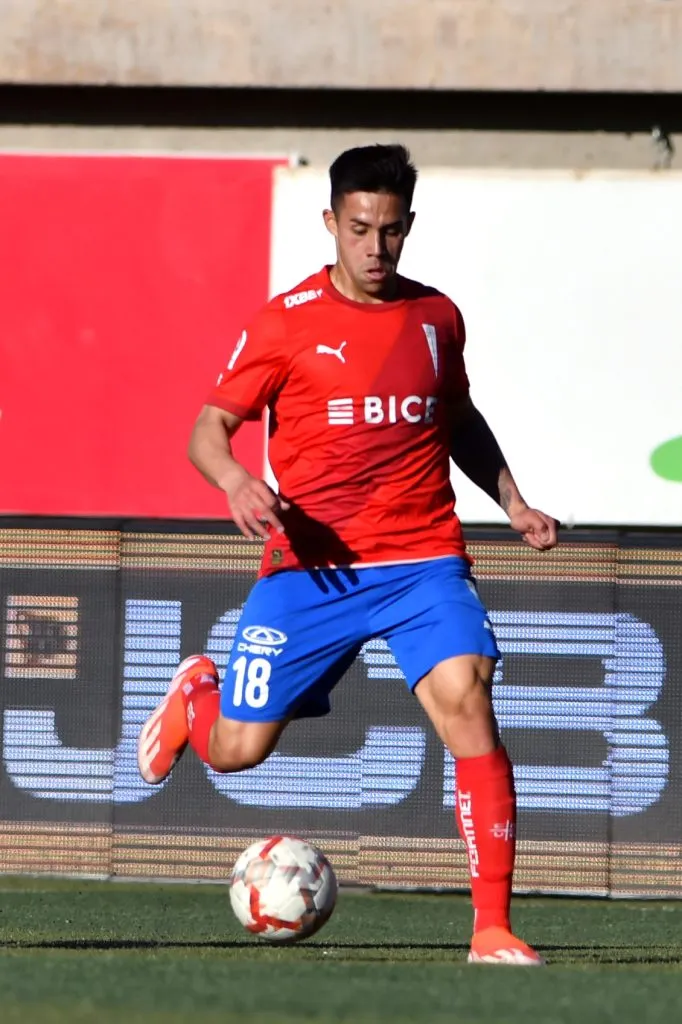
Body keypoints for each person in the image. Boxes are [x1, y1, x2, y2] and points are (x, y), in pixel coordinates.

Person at [137, 144, 558, 965]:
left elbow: (458, 420)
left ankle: (492, 928)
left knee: (468, 699)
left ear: (408, 229)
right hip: (310, 572)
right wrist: (233, 481)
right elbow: (206, 430)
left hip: (421, 560)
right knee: (239, 752)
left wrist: (512, 502)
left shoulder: (438, 318)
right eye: (359, 228)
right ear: (331, 222)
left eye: (391, 231)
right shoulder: (286, 320)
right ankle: (197, 699)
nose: (375, 247)